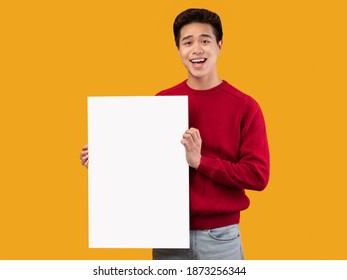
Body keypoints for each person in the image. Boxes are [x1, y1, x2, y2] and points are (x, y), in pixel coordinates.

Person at [80, 8, 270, 260]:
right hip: (166, 237)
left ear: (220, 45)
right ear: (179, 49)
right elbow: (146, 166)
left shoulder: (245, 106)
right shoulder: (162, 101)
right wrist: (108, 163)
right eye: (187, 42)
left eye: (205, 40)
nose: (197, 49)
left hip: (220, 239)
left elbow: (258, 176)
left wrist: (200, 162)